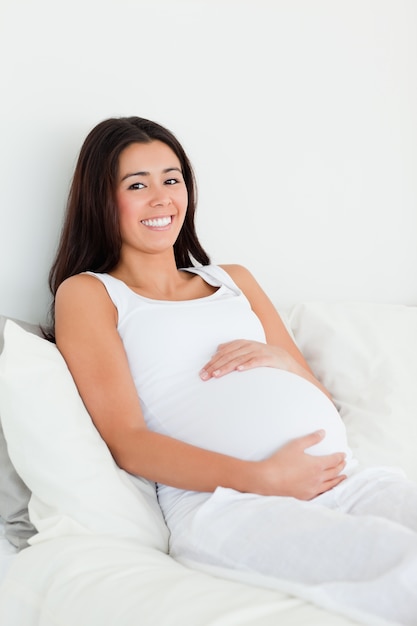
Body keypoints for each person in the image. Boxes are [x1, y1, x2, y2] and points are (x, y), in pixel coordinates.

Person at [49, 116, 417, 625]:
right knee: (404, 568)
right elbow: (127, 440)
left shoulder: (234, 280)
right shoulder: (90, 294)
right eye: (138, 184)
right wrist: (261, 479)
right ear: (101, 199)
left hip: (343, 481)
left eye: (171, 179)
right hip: (229, 506)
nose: (161, 198)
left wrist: (285, 362)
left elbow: (319, 399)